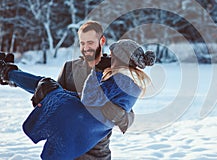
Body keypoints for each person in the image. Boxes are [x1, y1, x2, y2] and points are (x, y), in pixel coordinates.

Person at [0, 39, 155, 159]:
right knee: (45, 85)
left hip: (91, 147)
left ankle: (8, 73)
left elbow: (93, 100)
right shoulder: (124, 80)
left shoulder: (121, 80)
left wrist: (98, 71)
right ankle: (8, 73)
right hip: (80, 134)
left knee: (46, 86)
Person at [57, 21, 134, 159]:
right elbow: (54, 101)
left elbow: (128, 116)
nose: (86, 48)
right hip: (65, 150)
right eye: (82, 43)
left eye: (90, 43)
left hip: (97, 154)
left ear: (102, 41)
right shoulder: (68, 68)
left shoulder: (114, 73)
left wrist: (116, 113)